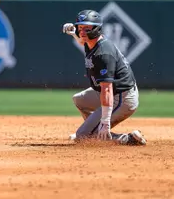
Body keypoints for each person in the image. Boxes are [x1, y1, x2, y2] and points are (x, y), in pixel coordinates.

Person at [62, 9, 146, 145]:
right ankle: (93, 131)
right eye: (80, 27)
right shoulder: (92, 42)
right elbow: (82, 41)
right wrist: (74, 33)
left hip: (122, 98)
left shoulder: (103, 54)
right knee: (79, 100)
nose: (82, 32)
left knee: (82, 137)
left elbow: (107, 90)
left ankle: (126, 139)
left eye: (87, 28)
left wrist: (105, 123)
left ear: (97, 29)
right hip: (114, 93)